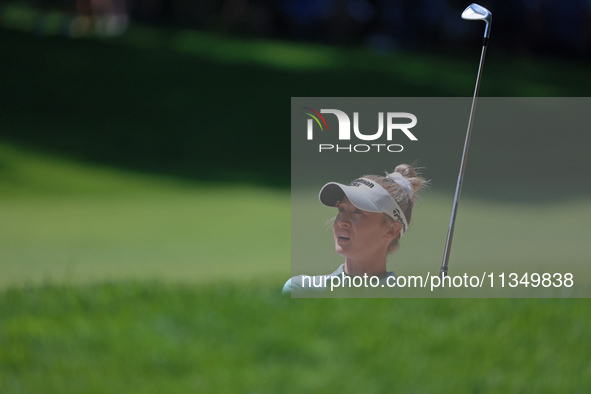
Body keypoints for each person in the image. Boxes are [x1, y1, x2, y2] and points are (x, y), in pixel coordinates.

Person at [283, 163, 428, 295]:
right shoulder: (301, 290)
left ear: (391, 230)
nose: (342, 221)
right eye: (342, 209)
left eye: (358, 211)